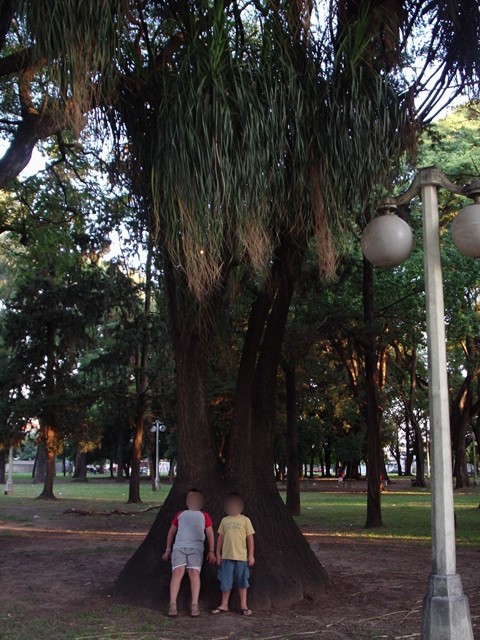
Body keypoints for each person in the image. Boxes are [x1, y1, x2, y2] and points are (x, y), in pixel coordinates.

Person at [162, 488, 215, 618]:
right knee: (177, 572)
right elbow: (171, 531)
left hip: (196, 548)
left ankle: (194, 604)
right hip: (179, 547)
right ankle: (173, 604)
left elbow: (210, 533)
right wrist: (168, 549)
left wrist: (212, 551)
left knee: (194, 573)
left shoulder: (204, 516)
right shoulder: (180, 514)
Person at [212, 492, 255, 617]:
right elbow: (220, 538)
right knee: (225, 582)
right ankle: (224, 604)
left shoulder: (245, 520)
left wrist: (251, 555)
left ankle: (243, 605)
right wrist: (218, 554)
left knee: (242, 581)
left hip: (241, 557)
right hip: (226, 557)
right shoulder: (225, 520)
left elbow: (250, 538)